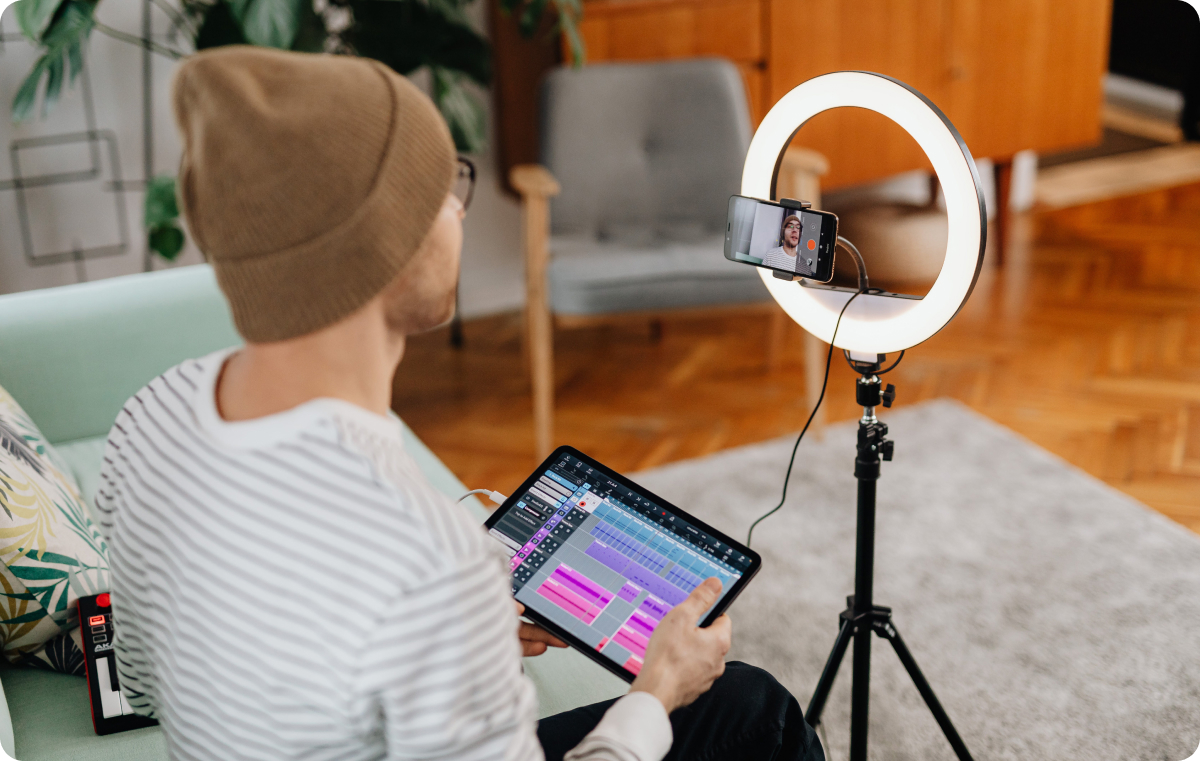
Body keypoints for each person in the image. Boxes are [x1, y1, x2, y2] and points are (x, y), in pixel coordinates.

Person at [94, 46, 823, 761]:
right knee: (752, 709)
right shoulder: (432, 561)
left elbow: (146, 678)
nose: (457, 210)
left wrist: (437, 659)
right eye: (441, 188)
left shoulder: (150, 414)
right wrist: (657, 689)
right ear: (383, 244)